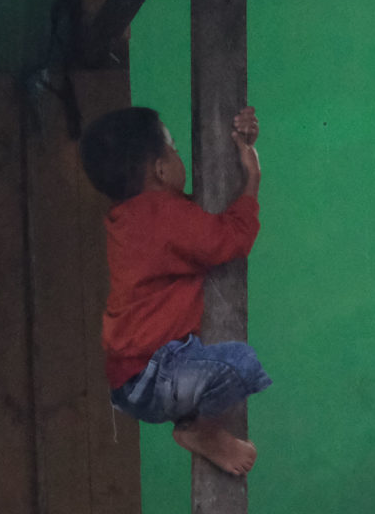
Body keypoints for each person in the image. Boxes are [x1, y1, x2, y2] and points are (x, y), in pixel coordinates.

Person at [79, 103, 271, 477]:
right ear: (161, 169)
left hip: (136, 379)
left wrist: (238, 151)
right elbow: (226, 240)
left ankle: (200, 427)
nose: (179, 155)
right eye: (174, 149)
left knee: (229, 364)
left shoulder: (136, 217)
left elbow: (195, 223)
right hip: (156, 374)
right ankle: (202, 432)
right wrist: (251, 181)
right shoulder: (163, 216)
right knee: (241, 364)